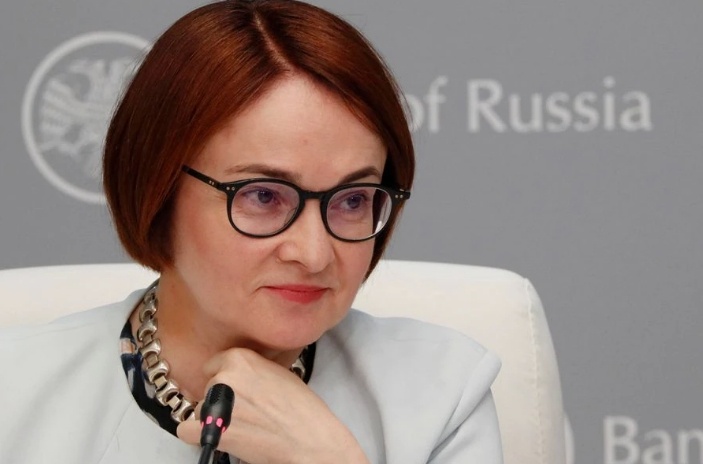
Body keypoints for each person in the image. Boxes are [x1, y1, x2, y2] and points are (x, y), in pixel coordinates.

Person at [0, 1, 502, 463]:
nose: (314, 253)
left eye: (352, 200)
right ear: (158, 190)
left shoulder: (442, 395)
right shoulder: (13, 389)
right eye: (263, 196)